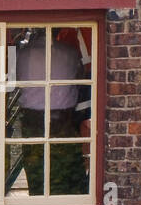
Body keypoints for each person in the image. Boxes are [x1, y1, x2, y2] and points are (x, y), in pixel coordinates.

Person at [14, 30, 89, 196]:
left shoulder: (24, 53)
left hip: (32, 119)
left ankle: (38, 201)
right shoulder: (70, 52)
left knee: (35, 168)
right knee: (67, 169)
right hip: (64, 119)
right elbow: (80, 79)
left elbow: (14, 80)